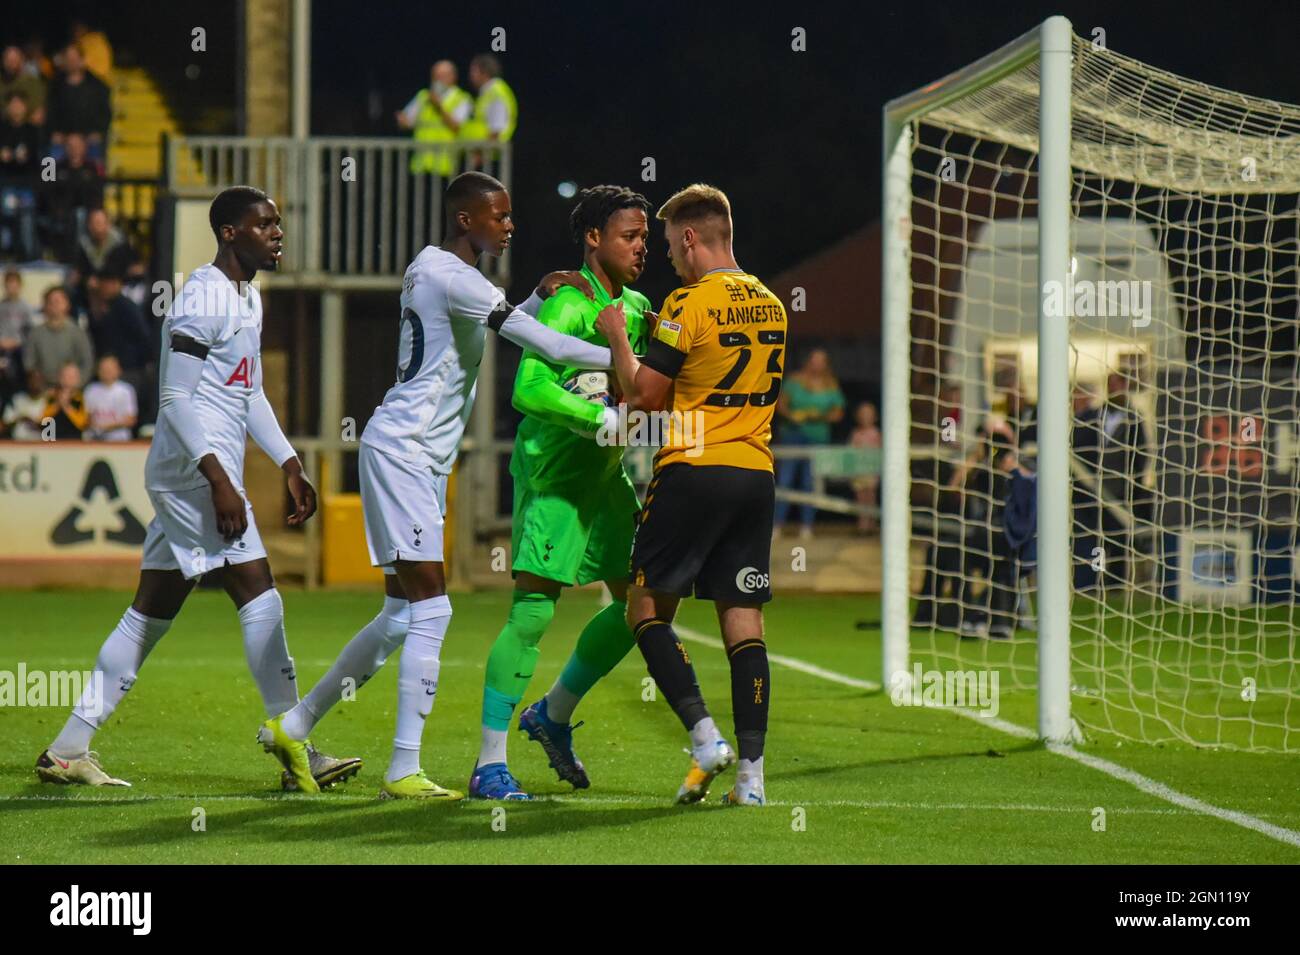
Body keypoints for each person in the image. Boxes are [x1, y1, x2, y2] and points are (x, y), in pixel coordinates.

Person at [269, 172, 613, 800]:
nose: (510, 226)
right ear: (465, 220)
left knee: (402, 613)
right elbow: (548, 348)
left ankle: (295, 726)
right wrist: (625, 356)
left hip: (414, 455)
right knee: (433, 608)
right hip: (405, 451)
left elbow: (491, 329)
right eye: (499, 217)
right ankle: (403, 769)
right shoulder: (454, 276)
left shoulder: (437, 271)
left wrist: (533, 296)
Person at [36, 186, 358, 790]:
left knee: (149, 612)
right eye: (264, 224)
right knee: (259, 591)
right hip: (194, 470)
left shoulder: (248, 299)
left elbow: (250, 392)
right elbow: (174, 399)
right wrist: (219, 480)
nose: (277, 233)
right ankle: (296, 746)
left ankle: (67, 747)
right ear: (230, 233)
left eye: (278, 223)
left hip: (204, 470)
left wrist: (289, 462)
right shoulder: (202, 298)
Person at [597, 183, 787, 807]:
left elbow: (644, 397)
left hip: (693, 471)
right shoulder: (771, 302)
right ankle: (752, 780)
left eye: (672, 247)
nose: (669, 261)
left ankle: (705, 738)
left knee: (645, 609)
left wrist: (619, 336)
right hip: (754, 474)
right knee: (744, 624)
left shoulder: (688, 301)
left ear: (690, 237)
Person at [470, 185, 652, 801]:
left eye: (646, 237)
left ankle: (552, 713)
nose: (640, 247)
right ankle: (488, 764)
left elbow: (641, 387)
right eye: (630, 236)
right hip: (554, 478)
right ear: (594, 238)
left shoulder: (639, 307)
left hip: (607, 481)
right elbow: (527, 389)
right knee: (534, 610)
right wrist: (593, 416)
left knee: (644, 606)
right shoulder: (567, 304)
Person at [773, 347, 844, 539]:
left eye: (821, 361)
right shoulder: (794, 381)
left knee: (809, 483)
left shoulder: (831, 385)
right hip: (793, 436)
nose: (817, 365)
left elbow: (838, 412)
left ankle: (807, 526)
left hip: (817, 438)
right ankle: (777, 526)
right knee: (785, 480)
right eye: (814, 360)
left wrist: (819, 415)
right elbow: (780, 405)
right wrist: (794, 416)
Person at [398, 60, 473, 177]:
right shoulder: (423, 96)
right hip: (420, 166)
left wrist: (438, 107)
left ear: (453, 77)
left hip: (445, 168)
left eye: (442, 76)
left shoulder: (462, 98)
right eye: (435, 76)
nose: (438, 80)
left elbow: (456, 127)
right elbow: (406, 122)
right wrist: (402, 120)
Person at [41, 133, 104, 261]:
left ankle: (77, 258)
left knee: (80, 215)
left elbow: (97, 194)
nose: (74, 149)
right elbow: (46, 192)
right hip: (60, 213)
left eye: (77, 146)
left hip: (85, 214)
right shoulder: (54, 167)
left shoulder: (92, 168)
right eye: (70, 146)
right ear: (65, 148)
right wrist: (57, 209)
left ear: (84, 148)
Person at [45, 44, 111, 155]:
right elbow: (50, 112)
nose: (72, 62)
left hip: (90, 139)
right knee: (50, 162)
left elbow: (105, 113)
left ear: (82, 60)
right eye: (69, 59)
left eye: (75, 59)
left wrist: (96, 133)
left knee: (96, 161)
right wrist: (56, 133)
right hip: (63, 139)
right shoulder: (55, 86)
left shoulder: (98, 86)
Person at [26, 285, 93, 385]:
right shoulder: (35, 334)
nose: (54, 305)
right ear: (45, 305)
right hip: (44, 390)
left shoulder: (78, 333)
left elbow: (87, 363)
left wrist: (77, 382)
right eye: (50, 302)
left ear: (67, 304)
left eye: (58, 302)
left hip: (72, 390)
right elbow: (29, 363)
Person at [460, 54, 516, 160]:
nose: (470, 75)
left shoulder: (495, 91)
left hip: (489, 158)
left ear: (484, 72)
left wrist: (480, 157)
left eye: (474, 71)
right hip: (485, 154)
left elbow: (496, 127)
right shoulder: (487, 92)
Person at [84, 352, 137, 440]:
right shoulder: (90, 390)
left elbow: (131, 419)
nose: (107, 372)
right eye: (103, 368)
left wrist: (106, 427)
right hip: (95, 438)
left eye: (110, 368)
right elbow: (86, 417)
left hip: (119, 439)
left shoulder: (126, 390)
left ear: (118, 370)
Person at [0, 269, 33, 402]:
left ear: (20, 285)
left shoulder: (25, 307)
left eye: (14, 283)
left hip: (19, 350)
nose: (11, 287)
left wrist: (18, 342)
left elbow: (29, 333)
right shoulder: (1, 306)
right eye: (8, 283)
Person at [850, 401, 881, 534]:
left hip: (871, 471)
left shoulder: (876, 434)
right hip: (858, 471)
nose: (865, 418)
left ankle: (871, 524)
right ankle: (862, 524)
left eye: (868, 415)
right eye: (863, 415)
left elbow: (880, 452)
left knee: (871, 498)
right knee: (860, 498)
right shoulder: (856, 434)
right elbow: (851, 452)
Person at [40, 360, 88, 440]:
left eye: (73, 376)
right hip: (50, 443)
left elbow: (82, 424)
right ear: (59, 377)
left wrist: (66, 406)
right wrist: (58, 404)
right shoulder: (50, 397)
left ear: (78, 379)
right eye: (66, 376)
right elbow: (43, 421)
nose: (69, 380)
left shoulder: (81, 398)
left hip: (74, 443)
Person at [0, 47, 46, 125]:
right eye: (9, 60)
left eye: (14, 60)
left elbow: (39, 110)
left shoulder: (32, 81)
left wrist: (23, 111)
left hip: (28, 127)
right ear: (3, 62)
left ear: (22, 60)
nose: (11, 63)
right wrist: (8, 111)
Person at [2, 367, 45, 439]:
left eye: (38, 379)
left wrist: (35, 423)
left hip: (42, 444)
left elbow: (53, 429)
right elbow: (4, 424)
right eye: (32, 379)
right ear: (27, 381)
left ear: (43, 381)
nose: (35, 383)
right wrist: (20, 418)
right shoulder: (17, 399)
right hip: (17, 444)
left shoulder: (49, 400)